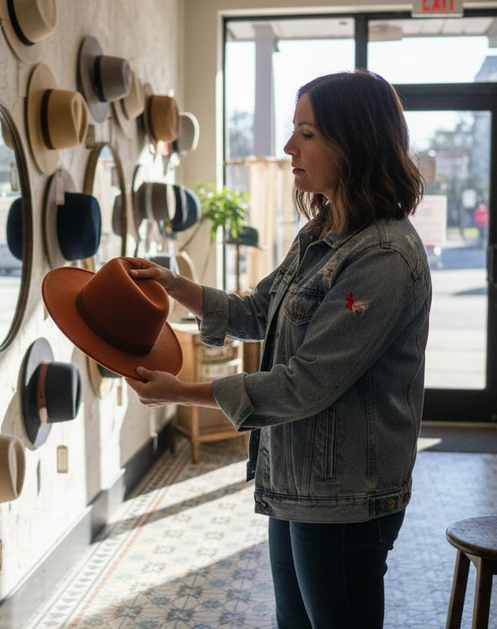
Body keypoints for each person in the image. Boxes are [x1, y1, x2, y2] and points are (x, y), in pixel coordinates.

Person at [125, 70, 432, 629]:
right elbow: (260, 311)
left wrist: (182, 393)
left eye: (307, 133)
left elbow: (306, 382)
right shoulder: (322, 233)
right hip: (296, 482)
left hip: (345, 496)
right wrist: (178, 287)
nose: (289, 147)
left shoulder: (383, 257)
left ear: (354, 141)